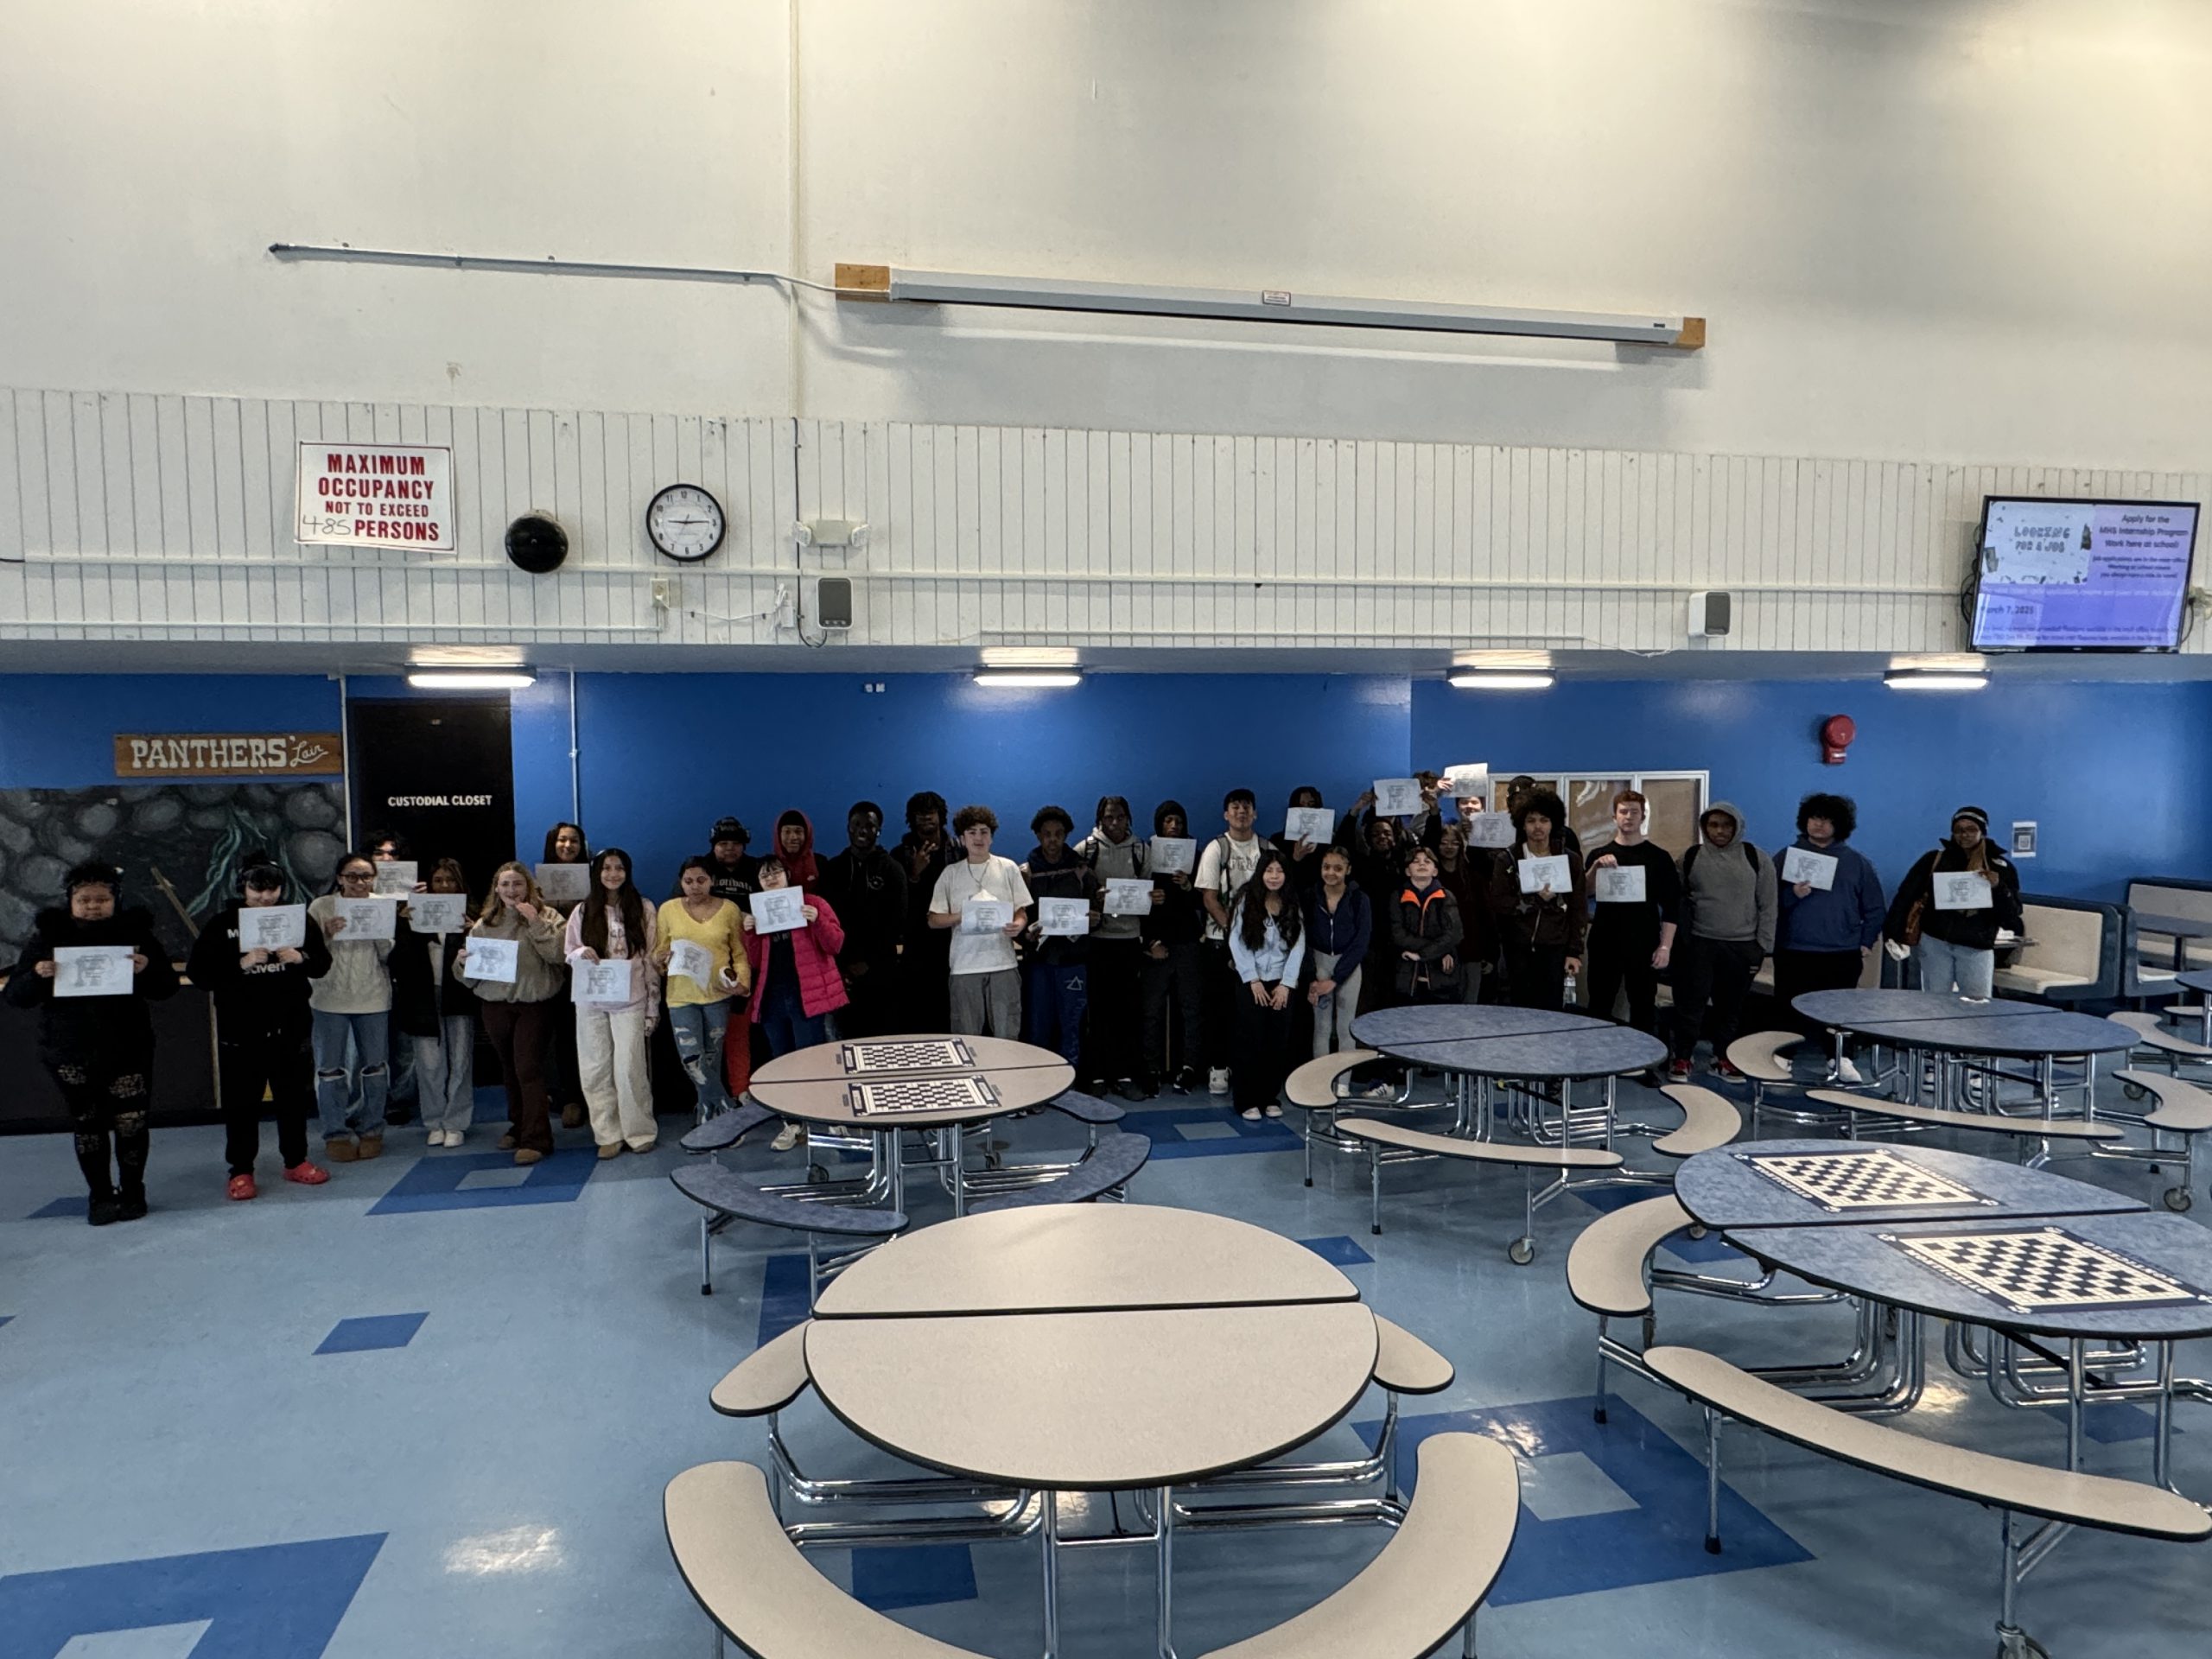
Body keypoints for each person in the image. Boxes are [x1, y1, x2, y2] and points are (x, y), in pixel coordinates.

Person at [8, 862, 180, 1223]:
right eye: (84, 899)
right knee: (88, 1124)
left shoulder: (136, 933)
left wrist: (146, 968)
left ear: (115, 900)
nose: (92, 906)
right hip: (70, 1048)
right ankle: (100, 1195)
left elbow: (166, 988)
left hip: (128, 1046)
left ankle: (133, 1191)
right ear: (70, 900)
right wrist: (38, 975)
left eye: (101, 899)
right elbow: (16, 996)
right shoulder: (48, 937)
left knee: (131, 1123)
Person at [189, 855, 333, 1198]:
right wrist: (241, 963)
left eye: (272, 889)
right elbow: (199, 974)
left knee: (293, 1100)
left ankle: (296, 1161)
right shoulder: (223, 923)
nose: (265, 897)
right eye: (257, 890)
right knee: (242, 1105)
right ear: (244, 888)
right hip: (241, 1031)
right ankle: (240, 1170)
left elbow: (322, 964)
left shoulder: (297, 921)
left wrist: (302, 958)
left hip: (291, 1026)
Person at [457, 863, 568, 1166]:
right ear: (496, 888)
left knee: (529, 1068)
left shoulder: (548, 917)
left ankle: (538, 1138)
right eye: (505, 884)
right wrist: (462, 962)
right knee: (509, 1069)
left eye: (517, 884)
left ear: (528, 887)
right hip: (495, 1006)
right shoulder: (484, 924)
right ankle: (518, 1126)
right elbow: (469, 978)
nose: (511, 890)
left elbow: (558, 956)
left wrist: (535, 924)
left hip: (534, 1005)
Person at [1777, 791, 1887, 1081]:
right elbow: (1767, 902)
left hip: (1841, 952)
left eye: (1827, 820)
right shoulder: (1786, 857)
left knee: (1840, 1010)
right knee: (1788, 1007)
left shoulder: (1858, 863)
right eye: (1815, 818)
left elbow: (1875, 908)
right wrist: (1792, 895)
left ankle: (1840, 1058)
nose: (1819, 825)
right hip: (1794, 948)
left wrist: (1865, 941)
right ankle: (1783, 1055)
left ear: (1840, 825)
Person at [741, 855, 849, 1147]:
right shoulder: (757, 912)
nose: (771, 878)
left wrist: (816, 922)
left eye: (776, 872)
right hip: (772, 997)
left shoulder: (813, 902)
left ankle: (827, 1118)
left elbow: (835, 944)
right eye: (765, 876)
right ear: (759, 883)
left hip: (807, 996)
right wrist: (749, 932)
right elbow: (754, 961)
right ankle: (792, 1124)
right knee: (781, 1065)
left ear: (788, 875)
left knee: (813, 1061)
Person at [564, 847, 661, 1160]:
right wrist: (580, 954)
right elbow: (569, 951)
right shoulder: (582, 910)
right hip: (591, 1001)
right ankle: (607, 1133)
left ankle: (639, 1131)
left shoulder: (643, 908)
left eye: (619, 868)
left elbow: (650, 959)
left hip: (630, 1000)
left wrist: (652, 1005)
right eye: (606, 868)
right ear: (597, 873)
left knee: (629, 1068)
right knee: (595, 1069)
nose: (613, 874)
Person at [1669, 803, 1776, 1082]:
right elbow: (1675, 900)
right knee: (1690, 1005)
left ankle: (1724, 1058)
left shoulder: (1756, 858)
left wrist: (1761, 946)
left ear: (1737, 827)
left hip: (1742, 946)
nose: (1719, 831)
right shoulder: (1691, 857)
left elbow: (1769, 905)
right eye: (1713, 825)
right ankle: (1683, 1057)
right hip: (1699, 944)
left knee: (1731, 1008)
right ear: (1705, 827)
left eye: (1726, 825)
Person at [307, 851, 395, 1161]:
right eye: (352, 876)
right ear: (339, 878)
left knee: (375, 1067)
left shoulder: (383, 904)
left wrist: (381, 933)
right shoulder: (321, 907)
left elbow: (388, 956)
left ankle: (372, 1128)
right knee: (330, 1069)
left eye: (366, 877)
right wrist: (327, 934)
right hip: (330, 998)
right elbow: (310, 955)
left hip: (372, 996)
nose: (359, 882)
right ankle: (335, 1132)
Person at [1884, 804, 2023, 1000]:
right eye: (1958, 830)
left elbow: (2012, 913)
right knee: (1935, 1001)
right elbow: (1906, 895)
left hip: (1976, 944)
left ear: (1982, 831)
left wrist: (1999, 888)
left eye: (1971, 829)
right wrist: (1893, 930)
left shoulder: (2001, 867)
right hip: (1936, 940)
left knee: (1977, 1003)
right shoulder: (1935, 859)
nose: (1964, 835)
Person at [389, 858, 480, 1147]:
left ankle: (456, 1122)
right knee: (429, 1063)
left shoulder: (473, 915)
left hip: (459, 995)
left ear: (460, 883)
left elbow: (487, 957)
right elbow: (398, 961)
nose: (444, 886)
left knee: (461, 1060)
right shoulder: (415, 913)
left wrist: (473, 930)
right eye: (439, 880)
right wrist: (404, 923)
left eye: (450, 880)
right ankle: (434, 1120)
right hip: (423, 998)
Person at [657, 855, 751, 1122]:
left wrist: (742, 982)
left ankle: (707, 1117)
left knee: (712, 1059)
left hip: (718, 994)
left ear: (712, 881)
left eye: (701, 880)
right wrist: (659, 961)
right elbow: (658, 950)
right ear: (681, 883)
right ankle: (728, 1111)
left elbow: (740, 953)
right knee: (692, 1060)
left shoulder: (730, 909)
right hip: (680, 996)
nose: (695, 886)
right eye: (688, 881)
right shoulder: (668, 910)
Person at [927, 804, 1033, 1038]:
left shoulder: (1008, 868)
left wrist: (1019, 925)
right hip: (965, 966)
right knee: (967, 1037)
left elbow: (1021, 911)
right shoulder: (951, 874)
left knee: (1008, 1036)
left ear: (991, 836)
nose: (978, 838)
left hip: (1003, 964)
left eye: (984, 832)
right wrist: (962, 915)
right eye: (972, 832)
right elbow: (933, 920)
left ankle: (1006, 1075)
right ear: (962, 838)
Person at [1583, 789, 1681, 1039]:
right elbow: (1583, 893)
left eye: (1634, 812)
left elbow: (1672, 906)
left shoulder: (1659, 858)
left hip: (1644, 941)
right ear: (1614, 817)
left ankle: (1644, 1066)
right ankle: (1596, 1059)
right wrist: (1595, 868)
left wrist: (1665, 947)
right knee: (1599, 1003)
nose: (1628, 817)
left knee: (1643, 1005)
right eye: (1623, 811)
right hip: (1605, 940)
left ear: (1642, 816)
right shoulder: (1599, 855)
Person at [1196, 788, 1274, 1095]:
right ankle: (1217, 1067)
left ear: (1254, 814)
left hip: (1261, 947)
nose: (1241, 812)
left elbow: (1277, 895)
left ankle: (1249, 1068)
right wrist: (1234, 934)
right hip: (1220, 943)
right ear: (1226, 814)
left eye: (1247, 807)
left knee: (1253, 1012)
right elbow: (1209, 898)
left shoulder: (1267, 849)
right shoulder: (1217, 849)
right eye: (1235, 807)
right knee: (1219, 1008)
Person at [1073, 796, 1149, 1096]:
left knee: (1128, 1012)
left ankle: (1124, 1075)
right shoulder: (1085, 849)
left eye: (1119, 817)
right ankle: (1096, 1075)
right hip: (1097, 943)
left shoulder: (1141, 850)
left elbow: (1148, 890)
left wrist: (1152, 899)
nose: (1114, 823)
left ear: (1128, 817)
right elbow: (1072, 894)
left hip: (1129, 940)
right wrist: (1095, 901)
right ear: (1099, 819)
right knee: (1097, 1012)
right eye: (1108, 818)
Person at [1226, 849, 1306, 1121]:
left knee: (1277, 1042)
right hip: (1252, 982)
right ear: (1261, 873)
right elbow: (1236, 942)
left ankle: (1269, 1096)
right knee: (1251, 1040)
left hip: (1281, 983)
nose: (1274, 876)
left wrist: (1287, 984)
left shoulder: (1292, 901)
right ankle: (1245, 1099)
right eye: (1269, 870)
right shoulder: (1246, 900)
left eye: (1279, 871)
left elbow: (1298, 944)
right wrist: (1253, 980)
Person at [1490, 790, 1586, 1009]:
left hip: (1555, 947)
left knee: (1551, 1008)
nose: (1538, 827)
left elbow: (1578, 907)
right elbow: (1497, 901)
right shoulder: (1507, 859)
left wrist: (1574, 952)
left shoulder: (1570, 860)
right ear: (1522, 824)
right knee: (1520, 1006)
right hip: (1518, 947)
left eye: (1544, 820)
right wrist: (1531, 902)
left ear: (1553, 823)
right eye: (1531, 821)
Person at [818, 801, 907, 1039]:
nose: (862, 830)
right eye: (856, 824)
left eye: (869, 825)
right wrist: (843, 963)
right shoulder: (833, 868)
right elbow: (824, 920)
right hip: (840, 970)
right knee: (844, 1040)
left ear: (879, 830)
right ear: (848, 828)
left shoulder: (892, 869)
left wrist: (868, 962)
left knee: (881, 1039)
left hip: (880, 969)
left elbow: (897, 921)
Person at [1020, 804, 1099, 1068]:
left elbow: (1096, 912)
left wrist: (1094, 920)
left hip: (1073, 961)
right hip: (1039, 961)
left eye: (1058, 834)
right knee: (1038, 1025)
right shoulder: (1025, 872)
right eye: (1046, 834)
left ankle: (1071, 1084)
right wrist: (1026, 935)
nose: (1052, 840)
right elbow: (1020, 917)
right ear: (1038, 835)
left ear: (1066, 835)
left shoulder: (1081, 871)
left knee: (1072, 1023)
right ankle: (1038, 1083)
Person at [1139, 799, 1207, 1096]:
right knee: (1151, 1010)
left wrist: (1188, 886)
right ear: (1159, 826)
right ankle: (1151, 1068)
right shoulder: (1145, 855)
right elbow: (1133, 901)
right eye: (1168, 821)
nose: (1174, 826)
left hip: (1188, 941)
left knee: (1191, 1008)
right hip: (1157, 943)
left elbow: (1203, 901)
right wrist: (1149, 941)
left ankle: (1191, 1066)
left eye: (1178, 821)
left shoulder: (1197, 855)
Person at [367, 830, 424, 1125]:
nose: (387, 858)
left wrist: (419, 907)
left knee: (405, 1046)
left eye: (393, 853)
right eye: (380, 853)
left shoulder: (414, 891)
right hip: (368, 979)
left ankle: (400, 1100)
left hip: (407, 978)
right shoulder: (358, 893)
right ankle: (371, 1102)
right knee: (373, 1046)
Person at [539, 822, 592, 1130]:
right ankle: (568, 1097)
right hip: (552, 970)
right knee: (560, 1036)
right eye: (562, 840)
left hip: (587, 969)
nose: (568, 845)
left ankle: (589, 1097)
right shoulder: (537, 884)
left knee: (588, 1034)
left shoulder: (595, 879)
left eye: (574, 841)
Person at [898, 791, 957, 1031]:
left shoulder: (958, 850)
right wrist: (914, 872)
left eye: (930, 813)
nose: (925, 818)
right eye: (919, 814)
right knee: (917, 1016)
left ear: (940, 816)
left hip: (953, 942)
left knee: (951, 1013)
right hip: (916, 943)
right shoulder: (900, 854)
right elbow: (897, 904)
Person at [1305, 845, 1370, 1057]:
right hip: (1319, 964)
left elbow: (1361, 941)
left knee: (1346, 1028)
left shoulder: (1359, 899)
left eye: (1338, 868)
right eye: (1326, 867)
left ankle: (1342, 1085)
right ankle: (1320, 1083)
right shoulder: (1310, 897)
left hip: (1348, 967)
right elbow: (1302, 937)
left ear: (1348, 870)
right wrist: (1312, 977)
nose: (1331, 873)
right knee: (1321, 1028)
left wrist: (1336, 979)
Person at [1397, 844, 1469, 1005]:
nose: (1422, 864)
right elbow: (1398, 935)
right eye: (1416, 861)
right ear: (1408, 871)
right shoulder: (1398, 897)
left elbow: (1455, 933)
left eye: (1427, 861)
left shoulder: (1446, 896)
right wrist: (1440, 951)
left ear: (1435, 871)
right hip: (1408, 975)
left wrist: (1422, 954)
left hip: (1442, 976)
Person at [1433, 821, 1495, 1003]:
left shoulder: (1473, 877)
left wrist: (1490, 954)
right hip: (1440, 952)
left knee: (1470, 1005)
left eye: (1454, 843)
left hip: (1472, 951)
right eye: (1444, 843)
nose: (1449, 847)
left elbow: (1486, 916)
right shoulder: (1431, 879)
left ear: (1462, 846)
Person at [1279, 785, 1331, 890]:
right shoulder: (1278, 841)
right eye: (1301, 805)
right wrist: (1295, 860)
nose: (1307, 810)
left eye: (1312, 805)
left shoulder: (1328, 842)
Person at [772, 809, 822, 893]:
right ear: (778, 835)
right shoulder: (768, 867)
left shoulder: (821, 864)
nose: (793, 837)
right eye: (787, 832)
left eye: (798, 831)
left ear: (807, 835)